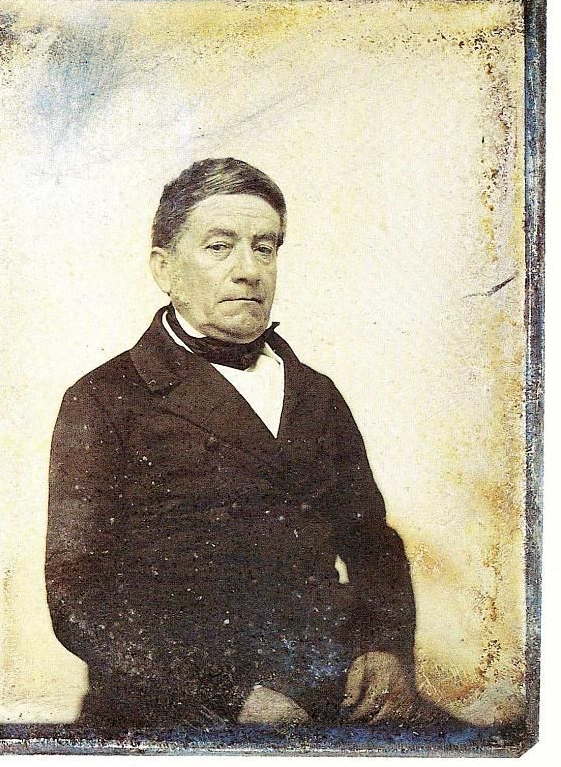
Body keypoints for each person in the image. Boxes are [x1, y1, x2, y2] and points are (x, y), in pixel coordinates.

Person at [45, 157, 419, 731]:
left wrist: (387, 649)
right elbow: (79, 597)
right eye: (220, 247)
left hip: (329, 693)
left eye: (264, 248)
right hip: (175, 710)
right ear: (164, 268)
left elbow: (373, 543)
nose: (249, 271)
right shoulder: (104, 398)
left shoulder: (314, 393)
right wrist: (231, 695)